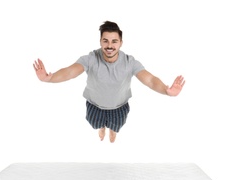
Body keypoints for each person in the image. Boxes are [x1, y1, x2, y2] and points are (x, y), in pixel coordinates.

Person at [33, 21, 185, 143]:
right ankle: (102, 127)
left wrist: (166, 90)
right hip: (94, 106)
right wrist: (50, 78)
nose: (110, 46)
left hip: (119, 107)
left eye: (114, 41)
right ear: (100, 41)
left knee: (116, 126)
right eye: (105, 41)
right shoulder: (91, 58)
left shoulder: (129, 62)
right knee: (95, 124)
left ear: (120, 43)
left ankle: (112, 130)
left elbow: (150, 80)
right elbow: (70, 72)